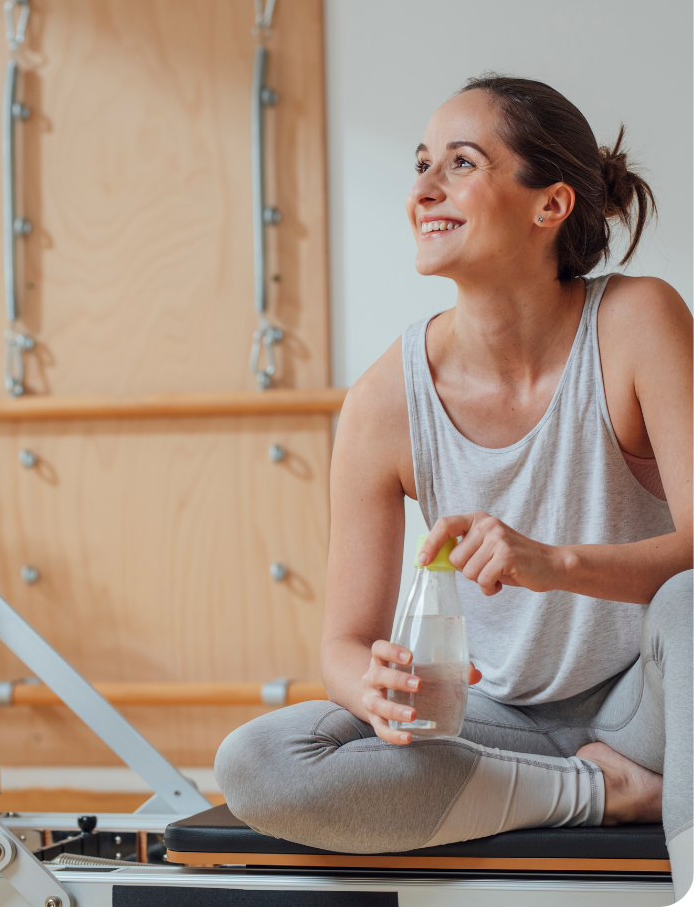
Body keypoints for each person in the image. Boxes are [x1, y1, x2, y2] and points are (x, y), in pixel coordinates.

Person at [214, 74, 694, 903]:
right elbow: (343, 644)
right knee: (258, 762)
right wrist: (375, 687)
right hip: (493, 726)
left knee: (692, 602)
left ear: (550, 206)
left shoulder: (638, 322)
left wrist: (556, 564)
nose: (424, 190)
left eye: (461, 164)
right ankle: (599, 796)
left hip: (649, 705)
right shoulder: (383, 401)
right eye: (422, 163)